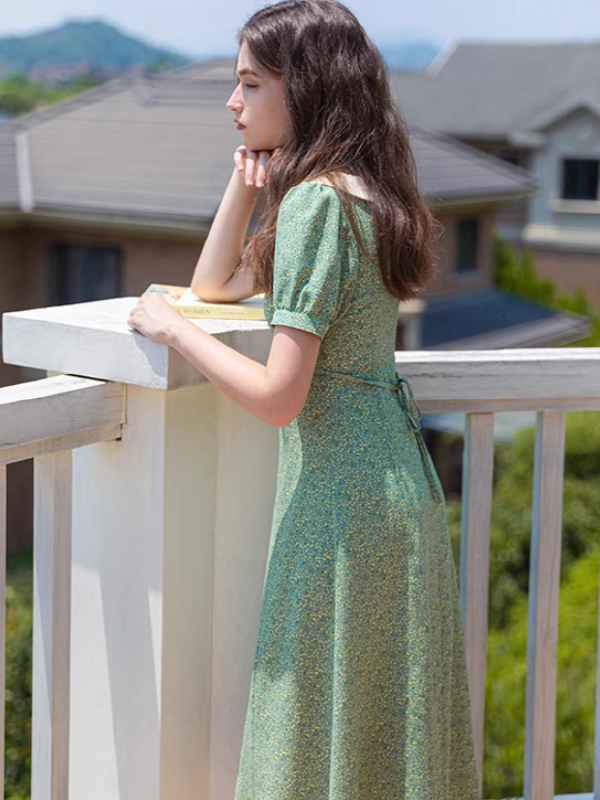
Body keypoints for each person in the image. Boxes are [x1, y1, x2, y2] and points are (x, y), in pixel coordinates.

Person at [127, 1, 481, 798]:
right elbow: (217, 284)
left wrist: (173, 332)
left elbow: (280, 396)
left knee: (313, 711)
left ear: (308, 87)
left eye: (249, 84)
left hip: (343, 497)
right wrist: (241, 178)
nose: (232, 102)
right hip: (390, 485)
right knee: (373, 718)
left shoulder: (320, 203)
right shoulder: (360, 194)